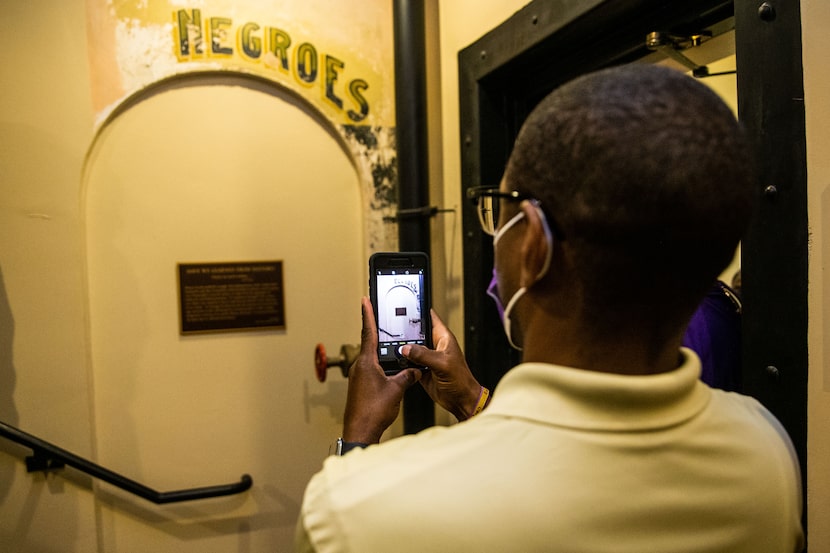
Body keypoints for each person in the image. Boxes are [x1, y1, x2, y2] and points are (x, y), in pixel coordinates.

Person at [295, 64, 804, 552]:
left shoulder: (357, 508)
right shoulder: (765, 453)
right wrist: (471, 398)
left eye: (502, 209)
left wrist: (357, 443)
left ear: (533, 244)